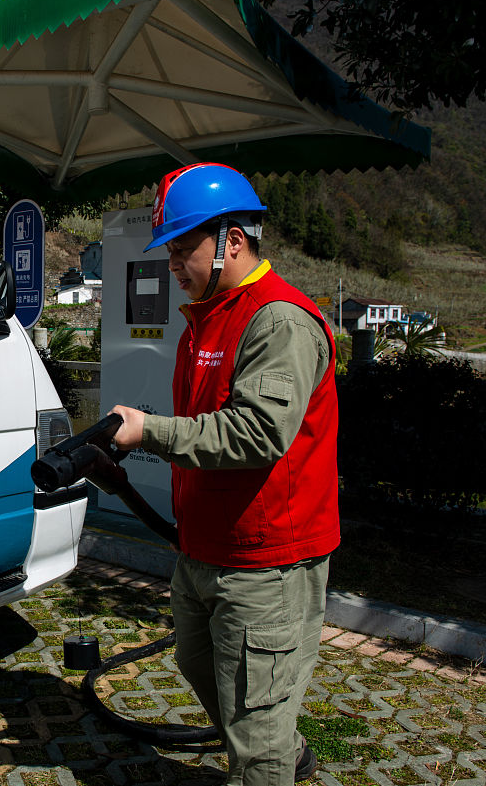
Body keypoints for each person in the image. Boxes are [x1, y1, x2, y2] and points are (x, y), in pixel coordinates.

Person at [110, 163, 339, 786]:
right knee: (200, 663)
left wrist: (149, 431)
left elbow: (258, 432)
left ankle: (269, 760)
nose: (172, 265)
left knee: (254, 729)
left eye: (183, 249)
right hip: (206, 545)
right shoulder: (208, 315)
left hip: (265, 558)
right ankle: (280, 749)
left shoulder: (278, 320)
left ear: (231, 240)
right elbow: (209, 425)